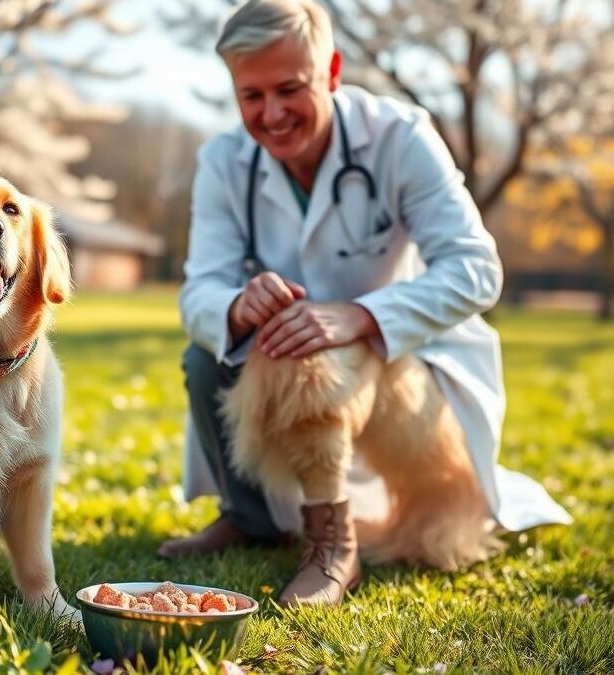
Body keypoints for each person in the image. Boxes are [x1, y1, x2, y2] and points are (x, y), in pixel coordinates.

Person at [159, 0, 571, 605]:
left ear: (331, 72)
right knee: (204, 358)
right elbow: (199, 291)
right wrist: (238, 305)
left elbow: (477, 269)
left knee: (309, 357)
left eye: (289, 89)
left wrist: (363, 315)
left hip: (399, 368)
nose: (271, 114)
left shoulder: (400, 136)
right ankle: (250, 517)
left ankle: (335, 546)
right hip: (288, 360)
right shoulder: (224, 162)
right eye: (252, 96)